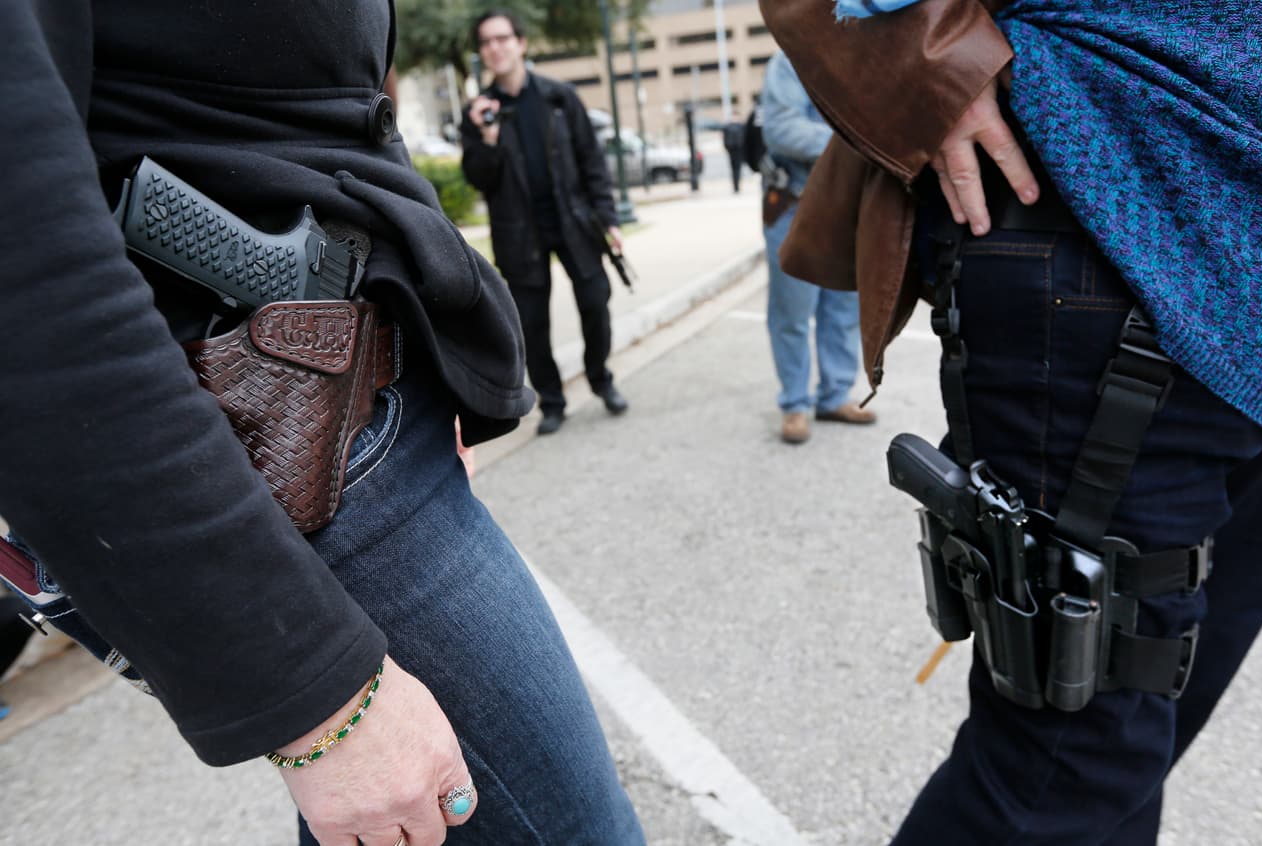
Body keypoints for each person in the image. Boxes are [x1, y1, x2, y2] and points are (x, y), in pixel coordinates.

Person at [0, 3, 646, 845]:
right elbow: (26, 271)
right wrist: (318, 692)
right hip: (271, 435)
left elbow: (336, 115)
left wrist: (424, 343)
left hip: (338, 396)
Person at [761, 0, 1262, 842]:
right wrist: (936, 67)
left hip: (1254, 304)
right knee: (1063, 766)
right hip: (1110, 219)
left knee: (1132, 746)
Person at [461, 9, 629, 437]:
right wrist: (488, 140)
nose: (495, 48)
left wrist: (608, 219)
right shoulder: (480, 112)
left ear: (521, 44)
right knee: (532, 326)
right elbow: (479, 178)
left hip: (574, 223)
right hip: (520, 235)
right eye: (486, 42)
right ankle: (552, 402)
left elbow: (592, 163)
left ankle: (600, 377)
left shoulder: (559, 97)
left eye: (502, 38)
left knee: (595, 301)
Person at [759, 51, 876, 445]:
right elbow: (781, 129)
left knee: (842, 307)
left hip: (848, 202)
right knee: (792, 311)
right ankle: (795, 403)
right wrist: (857, 139)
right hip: (794, 202)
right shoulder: (792, 58)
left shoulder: (867, 54)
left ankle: (834, 396)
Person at [721, 113, 746, 193]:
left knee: (734, 169)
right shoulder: (740, 126)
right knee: (737, 168)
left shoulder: (728, 127)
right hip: (736, 149)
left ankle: (736, 186)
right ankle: (736, 186)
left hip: (733, 150)